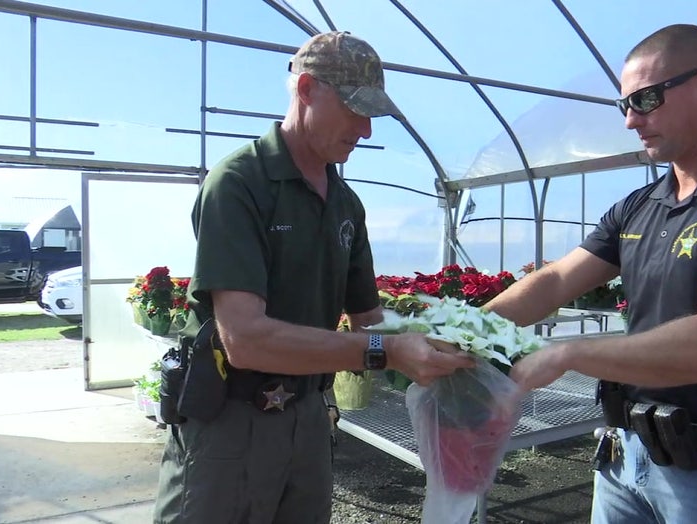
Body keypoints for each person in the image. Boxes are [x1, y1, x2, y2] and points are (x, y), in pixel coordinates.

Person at [486, 24, 697, 523]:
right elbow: (555, 281)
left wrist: (569, 353)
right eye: (625, 105)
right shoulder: (640, 206)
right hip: (623, 456)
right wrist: (466, 330)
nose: (630, 120)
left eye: (646, 99)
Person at [152, 31, 473, 524]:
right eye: (354, 109)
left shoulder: (345, 203)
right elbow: (246, 341)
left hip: (306, 414)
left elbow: (368, 317)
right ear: (305, 90)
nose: (365, 130)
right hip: (230, 420)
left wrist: (440, 341)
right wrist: (384, 352)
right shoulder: (240, 184)